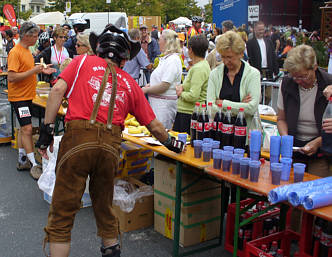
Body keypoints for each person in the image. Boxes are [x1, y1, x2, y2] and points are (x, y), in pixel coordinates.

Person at [35, 24, 184, 257]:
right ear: (124, 60)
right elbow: (154, 126)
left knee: (63, 211)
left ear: (98, 49)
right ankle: (111, 250)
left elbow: (56, 92)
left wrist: (46, 132)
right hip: (110, 147)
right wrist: (174, 145)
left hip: (77, 141)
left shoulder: (82, 62)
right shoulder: (130, 83)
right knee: (104, 206)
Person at [7, 21, 56, 180]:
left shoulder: (27, 51)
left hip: (27, 96)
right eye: (34, 36)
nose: (37, 39)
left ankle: (22, 160)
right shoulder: (15, 52)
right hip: (19, 97)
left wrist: (40, 69)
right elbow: (12, 77)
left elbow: (26, 70)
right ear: (26, 36)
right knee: (28, 129)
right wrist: (34, 71)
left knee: (23, 128)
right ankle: (34, 164)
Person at [277, 45, 332, 177]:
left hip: (322, 149)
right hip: (294, 148)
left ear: (314, 67)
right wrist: (286, 138)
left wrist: (318, 142)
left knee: (315, 187)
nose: (299, 81)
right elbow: (281, 119)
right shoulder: (287, 84)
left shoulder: (328, 83)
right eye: (295, 77)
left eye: (304, 76)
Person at [207, 31, 261, 141]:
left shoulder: (253, 74)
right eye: (223, 57)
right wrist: (240, 106)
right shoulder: (214, 74)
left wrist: (223, 103)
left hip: (244, 138)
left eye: (230, 57)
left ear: (241, 53)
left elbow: (251, 108)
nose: (226, 61)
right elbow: (210, 107)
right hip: (218, 135)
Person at [142, 29, 182, 129]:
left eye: (160, 39)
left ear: (166, 41)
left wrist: (146, 90)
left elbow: (164, 85)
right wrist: (151, 85)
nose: (158, 42)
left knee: (161, 133)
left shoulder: (172, 60)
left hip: (164, 107)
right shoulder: (166, 59)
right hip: (159, 106)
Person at [173, 35, 210, 134]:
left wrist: (180, 93)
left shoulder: (198, 68)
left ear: (190, 50)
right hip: (189, 111)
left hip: (189, 113)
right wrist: (182, 87)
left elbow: (193, 95)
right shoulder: (201, 65)